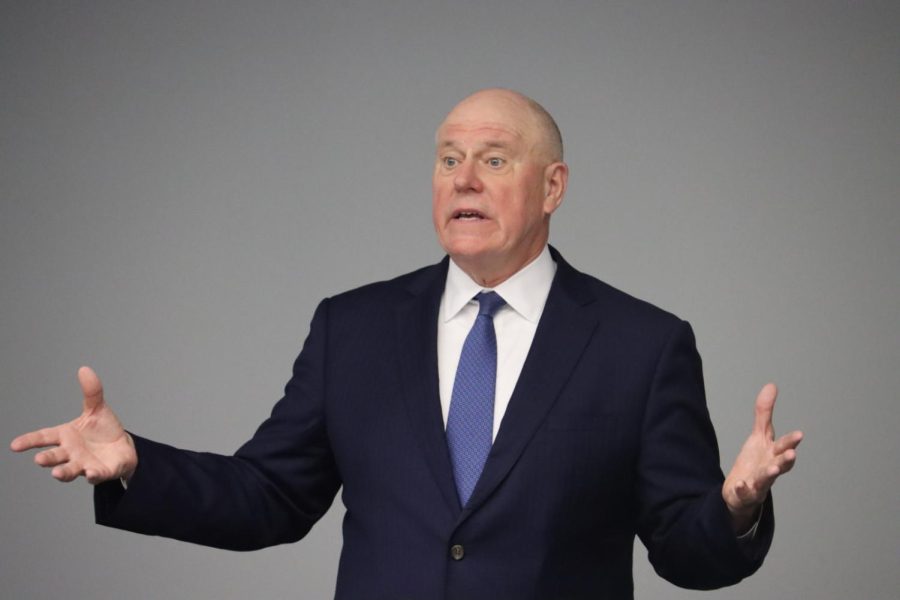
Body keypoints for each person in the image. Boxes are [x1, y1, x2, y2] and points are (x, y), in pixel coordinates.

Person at [11, 88, 803, 599]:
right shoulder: (352, 328)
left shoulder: (643, 345)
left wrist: (734, 508)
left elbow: (683, 551)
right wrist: (137, 465)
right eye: (448, 160)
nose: (464, 179)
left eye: (494, 160)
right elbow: (269, 499)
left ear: (553, 186)